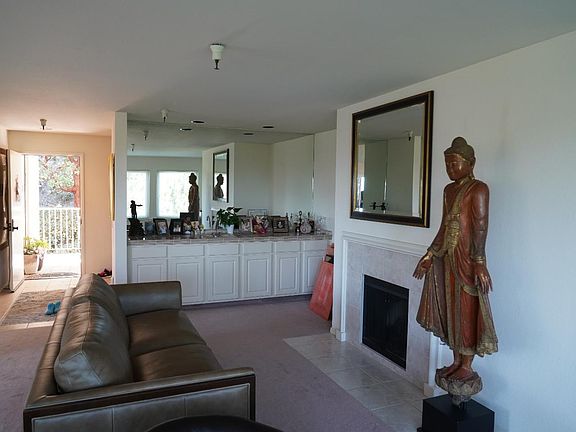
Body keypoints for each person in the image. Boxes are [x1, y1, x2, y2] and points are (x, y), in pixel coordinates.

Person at [413, 137, 498, 382]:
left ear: (471, 163)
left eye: (454, 163)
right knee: (451, 308)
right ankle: (456, 361)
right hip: (447, 257)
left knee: (467, 309)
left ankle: (467, 365)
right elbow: (444, 226)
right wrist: (430, 254)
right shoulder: (448, 190)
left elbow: (480, 225)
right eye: (447, 164)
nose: (450, 169)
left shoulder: (478, 189)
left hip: (467, 260)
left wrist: (479, 261)